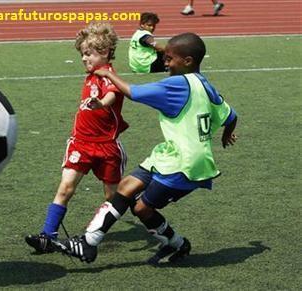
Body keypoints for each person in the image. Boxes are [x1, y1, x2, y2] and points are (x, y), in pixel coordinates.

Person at [58, 32, 238, 265]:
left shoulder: (177, 84)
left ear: (188, 61)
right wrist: (227, 133)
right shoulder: (205, 85)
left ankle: (177, 243)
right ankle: (88, 243)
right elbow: (231, 115)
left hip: (186, 165)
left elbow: (133, 92)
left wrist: (108, 74)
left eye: (169, 58)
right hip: (169, 154)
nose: (164, 61)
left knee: (142, 208)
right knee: (125, 188)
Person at [25, 22, 129, 254]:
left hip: (107, 147)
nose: (84, 58)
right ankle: (48, 235)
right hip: (80, 143)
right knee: (65, 188)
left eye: (88, 54)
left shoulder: (109, 75)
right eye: (82, 54)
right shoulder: (93, 74)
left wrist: (100, 103)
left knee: (113, 198)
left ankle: (95, 234)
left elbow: (113, 94)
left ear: (104, 53)